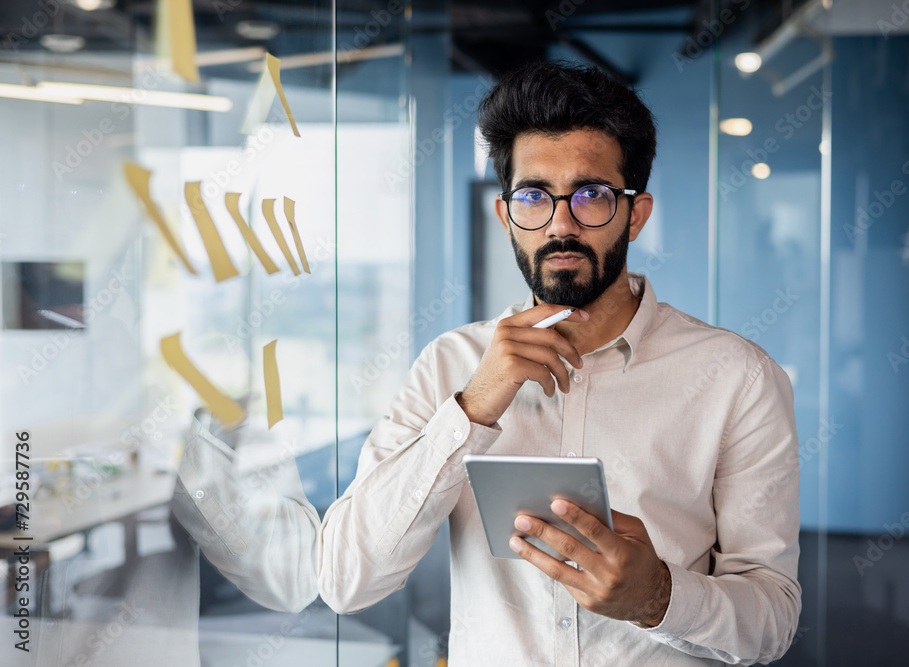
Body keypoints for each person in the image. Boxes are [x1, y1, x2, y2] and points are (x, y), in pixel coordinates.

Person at [174, 60, 801, 665]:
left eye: (591, 195)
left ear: (635, 214)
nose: (561, 225)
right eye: (533, 197)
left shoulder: (736, 378)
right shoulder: (451, 364)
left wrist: (659, 598)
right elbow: (345, 579)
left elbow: (771, 621)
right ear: (505, 214)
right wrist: (472, 409)